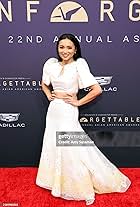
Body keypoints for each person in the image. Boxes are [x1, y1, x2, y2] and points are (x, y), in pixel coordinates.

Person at [36, 33, 131, 205]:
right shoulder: (51, 65)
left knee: (72, 145)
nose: (64, 51)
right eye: (61, 47)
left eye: (69, 47)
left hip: (68, 110)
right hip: (54, 111)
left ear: (75, 50)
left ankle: (77, 183)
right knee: (53, 143)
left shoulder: (79, 65)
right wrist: (49, 93)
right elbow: (43, 83)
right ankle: (55, 181)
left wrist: (77, 101)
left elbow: (97, 89)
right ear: (57, 48)